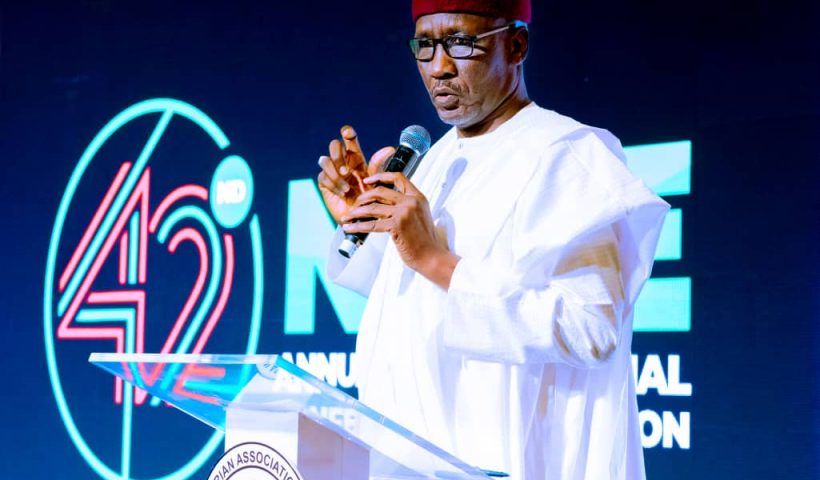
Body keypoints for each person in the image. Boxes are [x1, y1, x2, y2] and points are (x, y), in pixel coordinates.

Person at [315, 1, 668, 478]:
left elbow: (592, 329)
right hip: (406, 459)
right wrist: (363, 221)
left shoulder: (568, 156)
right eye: (425, 46)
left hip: (506, 462)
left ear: (516, 45)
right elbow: (415, 301)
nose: (439, 67)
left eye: (461, 43)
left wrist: (436, 260)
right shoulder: (437, 159)